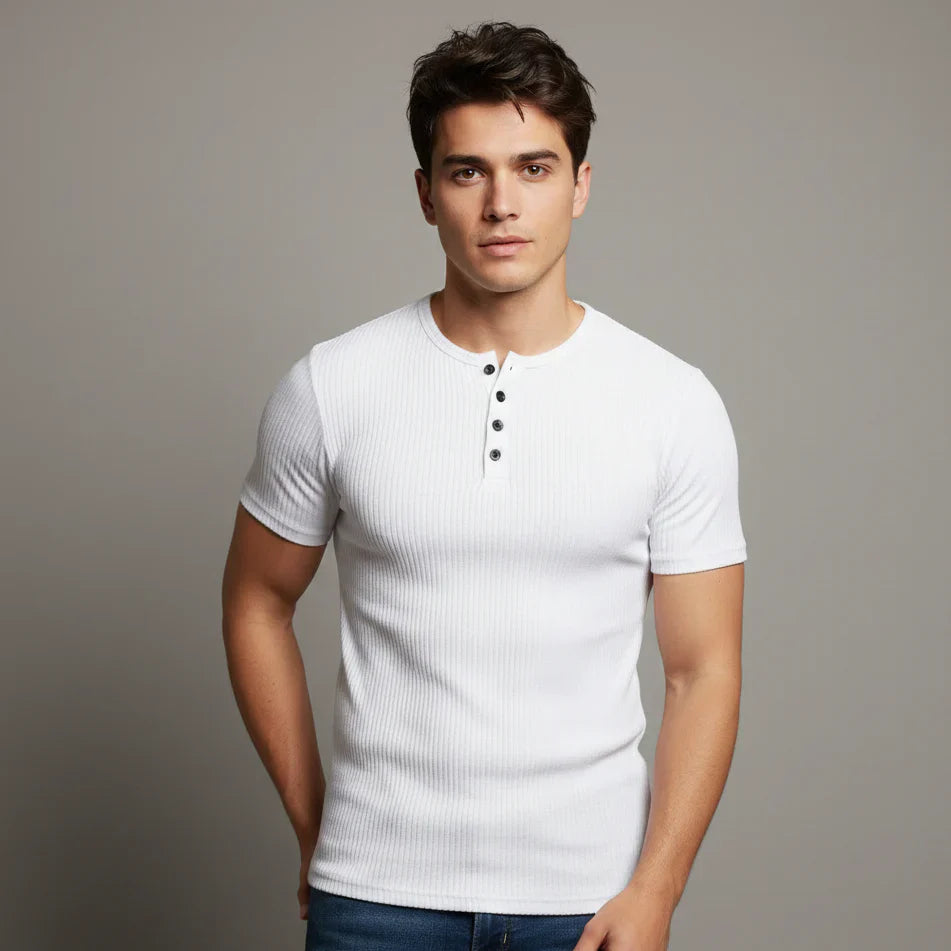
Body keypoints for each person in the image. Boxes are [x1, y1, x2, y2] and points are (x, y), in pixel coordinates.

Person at [221, 19, 747, 951]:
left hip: (589, 900)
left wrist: (657, 888)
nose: (502, 203)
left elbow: (701, 669)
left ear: (580, 185)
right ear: (426, 194)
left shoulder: (671, 402)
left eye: (534, 168)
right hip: (374, 899)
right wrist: (316, 825)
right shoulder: (332, 386)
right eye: (468, 171)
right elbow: (255, 602)